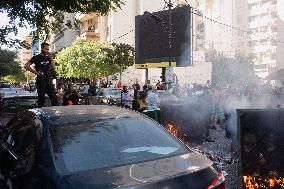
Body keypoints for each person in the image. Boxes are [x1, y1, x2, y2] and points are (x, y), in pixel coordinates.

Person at [24, 42, 58, 108]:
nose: (47, 51)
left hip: (48, 80)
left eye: (48, 49)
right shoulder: (36, 57)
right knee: (41, 99)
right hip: (41, 80)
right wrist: (35, 72)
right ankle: (41, 112)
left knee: (54, 98)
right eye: (46, 49)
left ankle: (56, 113)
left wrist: (51, 57)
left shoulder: (48, 58)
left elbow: (53, 67)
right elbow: (26, 66)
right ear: (42, 48)